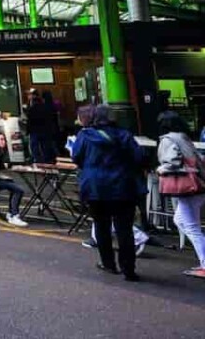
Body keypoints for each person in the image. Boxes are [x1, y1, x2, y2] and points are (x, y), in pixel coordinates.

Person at [71, 104, 144, 281]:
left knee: (101, 226)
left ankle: (108, 263)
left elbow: (76, 157)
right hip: (122, 187)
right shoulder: (124, 135)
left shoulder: (85, 135)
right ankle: (128, 269)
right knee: (124, 229)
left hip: (95, 187)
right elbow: (139, 157)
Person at [156, 114, 205, 279]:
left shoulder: (169, 139)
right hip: (197, 185)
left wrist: (161, 169)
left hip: (187, 187)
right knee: (182, 221)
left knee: (191, 227)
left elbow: (172, 162)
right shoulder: (183, 137)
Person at [26, 90, 59, 164]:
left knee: (35, 147)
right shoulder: (46, 108)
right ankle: (47, 160)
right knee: (46, 147)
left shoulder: (32, 109)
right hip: (46, 131)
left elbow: (29, 121)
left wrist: (27, 131)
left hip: (35, 131)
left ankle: (38, 160)